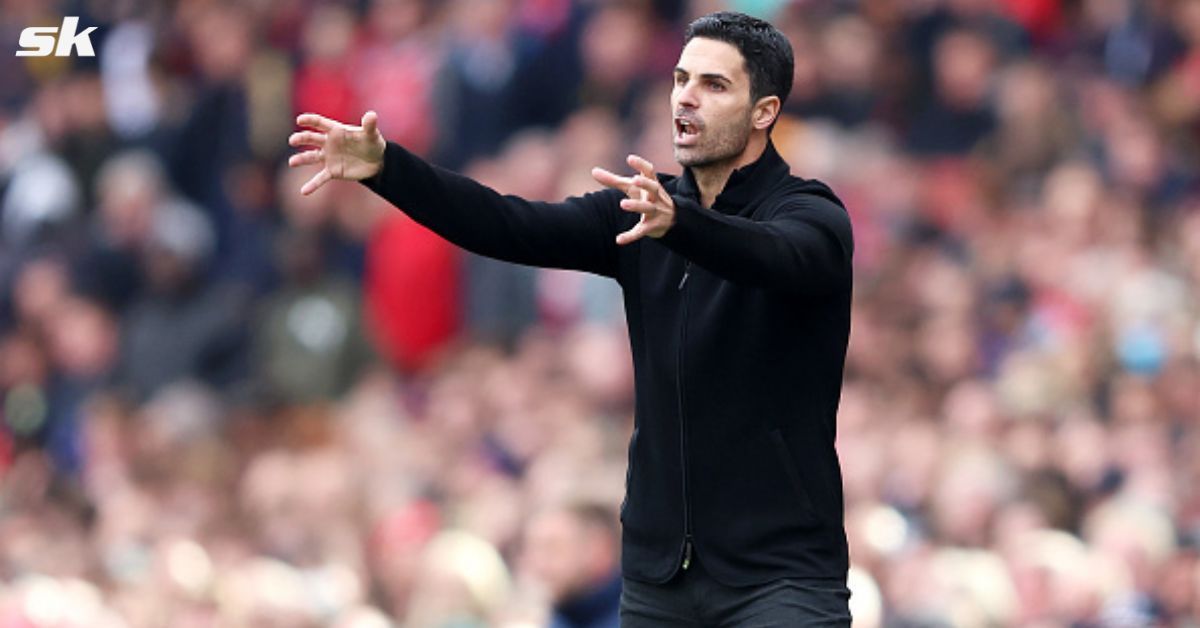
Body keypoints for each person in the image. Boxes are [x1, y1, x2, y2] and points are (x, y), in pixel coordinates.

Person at [289, 11, 854, 626]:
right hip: (660, 578)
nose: (686, 97)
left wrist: (682, 225)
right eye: (680, 78)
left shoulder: (809, 213)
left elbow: (777, 257)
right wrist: (387, 168)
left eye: (714, 85)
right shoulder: (641, 212)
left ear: (763, 111)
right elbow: (506, 223)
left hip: (782, 579)